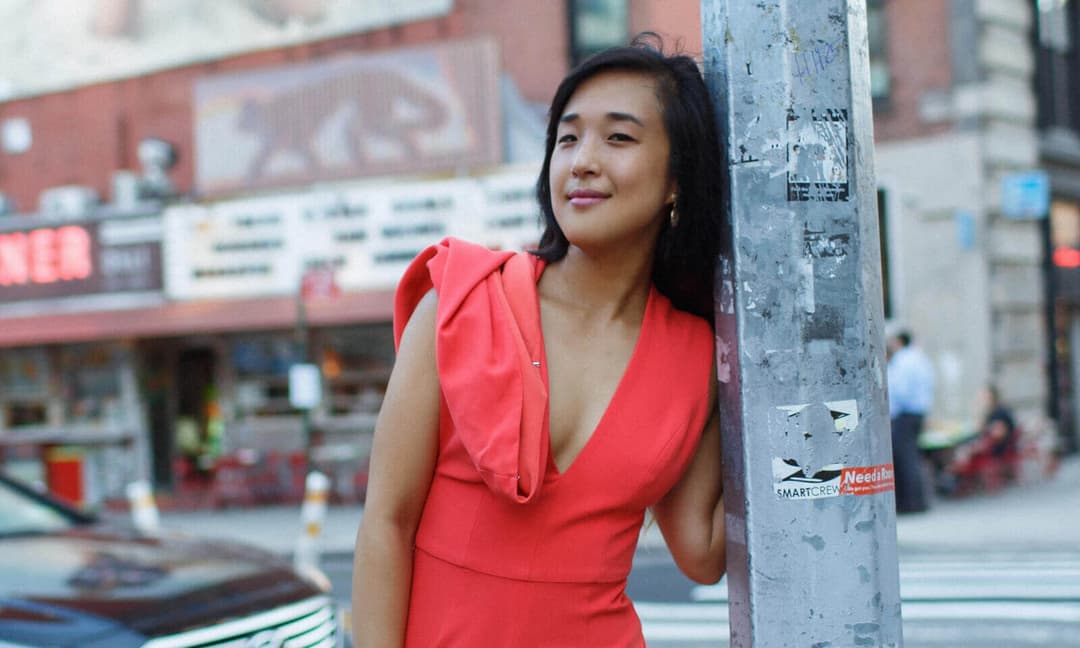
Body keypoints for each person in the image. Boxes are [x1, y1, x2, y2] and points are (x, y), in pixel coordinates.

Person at [352, 34, 726, 647]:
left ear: (676, 182)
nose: (581, 160)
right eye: (567, 137)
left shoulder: (696, 355)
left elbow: (702, 552)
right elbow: (386, 524)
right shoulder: (463, 304)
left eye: (619, 137)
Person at [886, 330, 935, 513]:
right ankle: (918, 500)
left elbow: (900, 390)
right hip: (918, 412)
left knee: (904, 458)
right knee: (912, 457)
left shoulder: (903, 361)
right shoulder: (920, 359)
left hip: (905, 414)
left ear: (899, 342)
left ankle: (910, 502)